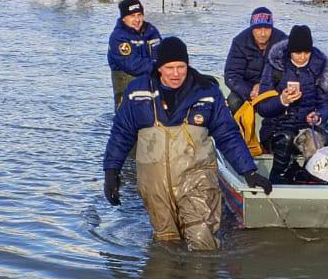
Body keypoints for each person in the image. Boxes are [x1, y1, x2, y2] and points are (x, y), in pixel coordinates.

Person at [103, 37, 272, 251]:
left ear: (188, 64)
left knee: (203, 243)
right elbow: (121, 134)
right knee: (166, 245)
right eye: (170, 67)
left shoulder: (207, 92)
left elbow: (227, 134)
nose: (176, 73)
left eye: (181, 67)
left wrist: (249, 171)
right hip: (155, 186)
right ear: (159, 67)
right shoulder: (137, 92)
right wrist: (111, 172)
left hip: (197, 179)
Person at [255, 25, 328, 185]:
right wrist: (282, 101)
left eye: (306, 53)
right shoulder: (275, 68)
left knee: (315, 141)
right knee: (286, 138)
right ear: (290, 51)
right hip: (276, 128)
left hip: (306, 126)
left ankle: (310, 175)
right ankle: (278, 177)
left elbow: (326, 105)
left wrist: (318, 116)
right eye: (298, 53)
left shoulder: (319, 69)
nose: (302, 57)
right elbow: (262, 108)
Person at [223, 7, 287, 112]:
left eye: (266, 29)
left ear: (272, 29)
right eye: (258, 29)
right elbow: (231, 75)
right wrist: (250, 93)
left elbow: (287, 71)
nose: (262, 33)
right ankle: (239, 127)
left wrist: (264, 87)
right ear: (252, 29)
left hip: (274, 86)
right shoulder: (240, 42)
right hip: (248, 87)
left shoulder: (282, 41)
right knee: (233, 101)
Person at [107, 0, 161, 108]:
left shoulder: (151, 31)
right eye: (132, 16)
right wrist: (159, 68)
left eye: (139, 15)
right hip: (127, 88)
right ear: (123, 18)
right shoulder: (118, 37)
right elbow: (132, 65)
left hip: (152, 85)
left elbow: (163, 54)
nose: (137, 20)